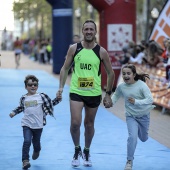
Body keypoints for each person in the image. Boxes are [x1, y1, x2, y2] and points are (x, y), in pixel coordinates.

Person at [56, 19, 114, 167]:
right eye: (86, 29)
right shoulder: (74, 48)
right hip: (76, 91)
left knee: (89, 124)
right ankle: (77, 150)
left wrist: (108, 94)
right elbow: (64, 68)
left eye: (91, 29)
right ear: (82, 31)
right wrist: (61, 88)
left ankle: (87, 151)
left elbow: (111, 72)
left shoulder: (101, 51)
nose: (88, 32)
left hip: (94, 93)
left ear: (95, 32)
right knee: (75, 123)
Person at [9, 75, 59, 169]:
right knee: (27, 141)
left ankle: (37, 149)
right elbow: (21, 107)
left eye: (35, 85)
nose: (33, 86)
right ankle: (25, 161)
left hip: (38, 125)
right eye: (30, 85)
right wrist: (14, 112)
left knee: (36, 142)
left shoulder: (41, 97)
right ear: (25, 87)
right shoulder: (23, 98)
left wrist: (57, 99)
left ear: (37, 86)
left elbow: (50, 104)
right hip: (26, 124)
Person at [110, 64, 155, 170]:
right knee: (132, 137)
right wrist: (110, 102)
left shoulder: (141, 85)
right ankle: (129, 161)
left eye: (128, 73)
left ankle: (142, 133)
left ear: (134, 74)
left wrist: (136, 102)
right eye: (124, 73)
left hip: (144, 116)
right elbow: (116, 95)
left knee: (143, 138)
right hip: (131, 116)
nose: (125, 75)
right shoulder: (121, 86)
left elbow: (150, 100)